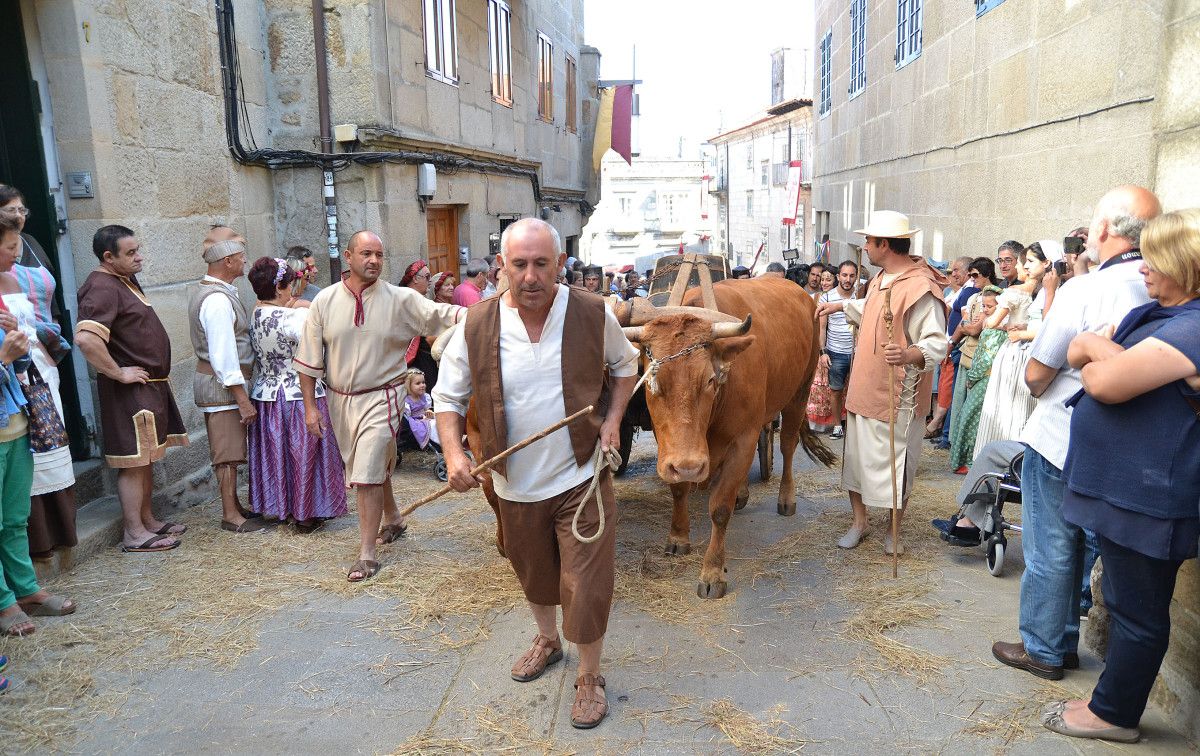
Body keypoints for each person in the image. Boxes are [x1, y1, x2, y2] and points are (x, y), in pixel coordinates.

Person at [434, 217, 638, 730]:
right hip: (512, 480)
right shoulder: (476, 325)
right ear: (501, 266)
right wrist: (456, 455)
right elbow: (448, 397)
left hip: (580, 475)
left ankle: (589, 676)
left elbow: (625, 366)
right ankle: (548, 639)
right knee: (535, 573)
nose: (530, 276)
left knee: (587, 583)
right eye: (519, 264)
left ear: (559, 265)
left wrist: (613, 421)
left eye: (541, 264)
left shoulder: (592, 313)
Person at [992, 184, 1162, 682]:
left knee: (1052, 546)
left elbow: (1038, 373)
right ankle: (1061, 640)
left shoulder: (1086, 289)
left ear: (1105, 230)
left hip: (1062, 434)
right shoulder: (1158, 284)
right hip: (1120, 443)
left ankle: (1044, 647)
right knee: (1085, 544)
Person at [1042, 208, 1200, 744]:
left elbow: (1105, 381)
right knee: (1128, 600)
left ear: (1185, 263)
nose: (1143, 269)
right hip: (1131, 491)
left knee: (1139, 611)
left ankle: (1115, 714)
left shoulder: (1194, 325)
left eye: (1154, 259)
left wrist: (1095, 354)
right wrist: (1096, 354)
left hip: (1150, 496)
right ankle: (1112, 699)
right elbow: (1081, 351)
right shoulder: (1162, 316)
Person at [294, 231, 463, 582]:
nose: (373, 261)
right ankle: (395, 519)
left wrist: (489, 310)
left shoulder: (401, 299)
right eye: (366, 253)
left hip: (384, 396)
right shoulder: (324, 301)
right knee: (368, 466)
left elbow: (444, 314)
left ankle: (367, 553)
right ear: (348, 256)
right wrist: (311, 408)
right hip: (340, 400)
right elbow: (309, 361)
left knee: (367, 471)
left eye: (379, 255)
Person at [815, 211, 948, 555]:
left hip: (898, 396)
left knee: (897, 466)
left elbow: (936, 341)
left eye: (870, 241)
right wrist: (838, 308)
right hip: (863, 388)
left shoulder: (921, 287)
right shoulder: (879, 278)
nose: (865, 246)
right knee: (856, 462)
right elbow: (871, 308)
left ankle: (893, 531)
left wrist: (907, 355)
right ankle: (859, 522)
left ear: (884, 245)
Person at [75, 226, 189, 552]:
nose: (139, 257)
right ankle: (134, 533)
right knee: (134, 463)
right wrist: (117, 373)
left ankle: (148, 521)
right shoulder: (101, 286)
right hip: (130, 392)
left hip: (149, 387)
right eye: (130, 253)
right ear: (108, 257)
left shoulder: (122, 279)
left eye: (138, 250)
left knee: (147, 458)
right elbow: (86, 338)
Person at [0, 216, 75, 636]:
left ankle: (26, 590)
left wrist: (20, 344)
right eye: (10, 246)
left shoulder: (4, 297)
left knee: (14, 517)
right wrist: (5, 358)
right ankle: (3, 602)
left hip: (15, 423)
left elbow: (21, 369)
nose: (17, 254)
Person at [247, 257, 346, 532]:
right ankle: (305, 513)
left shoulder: (255, 315)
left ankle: (283, 508)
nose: (294, 290)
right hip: (298, 396)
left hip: (266, 395)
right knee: (303, 453)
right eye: (290, 285)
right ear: (279, 287)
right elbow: (315, 353)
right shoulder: (296, 317)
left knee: (279, 455)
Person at [189, 228, 261, 534]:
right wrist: (242, 399)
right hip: (221, 387)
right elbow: (223, 355)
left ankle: (234, 507)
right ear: (228, 261)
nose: (245, 261)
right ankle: (230, 514)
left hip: (224, 386)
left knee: (229, 450)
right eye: (241, 257)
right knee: (226, 452)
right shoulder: (217, 300)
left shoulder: (218, 293)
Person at [973, 241, 1064, 456]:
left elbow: (1049, 328)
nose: (1026, 266)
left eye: (1030, 261)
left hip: (1023, 353)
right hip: (1017, 350)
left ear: (1047, 262)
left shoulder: (1052, 291)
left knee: (1013, 413)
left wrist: (1021, 333)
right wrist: (1022, 326)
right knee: (1004, 409)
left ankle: (1006, 459)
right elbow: (1036, 322)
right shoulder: (1042, 291)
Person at [948, 287, 1006, 472]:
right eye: (984, 306)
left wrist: (972, 378)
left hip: (984, 378)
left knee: (970, 419)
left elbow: (984, 359)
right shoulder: (995, 326)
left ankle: (968, 461)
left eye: (990, 306)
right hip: (986, 378)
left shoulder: (993, 330)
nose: (986, 310)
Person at [927, 256, 973, 440]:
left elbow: (964, 321)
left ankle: (942, 431)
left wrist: (952, 343)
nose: (952, 275)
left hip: (956, 346)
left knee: (947, 389)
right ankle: (941, 428)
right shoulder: (959, 291)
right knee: (943, 387)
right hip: (947, 343)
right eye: (951, 271)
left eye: (955, 271)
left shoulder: (969, 291)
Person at [819, 260, 859, 440]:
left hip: (858, 352)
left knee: (858, 390)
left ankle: (856, 427)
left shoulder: (861, 297)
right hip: (835, 351)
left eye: (851, 275)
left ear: (856, 277)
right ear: (838, 276)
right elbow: (821, 328)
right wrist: (823, 352)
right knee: (836, 390)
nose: (847, 279)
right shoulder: (827, 298)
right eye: (844, 275)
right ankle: (837, 426)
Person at [399, 368, 439, 449]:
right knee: (431, 425)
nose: (422, 385)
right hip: (415, 422)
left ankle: (446, 440)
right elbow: (408, 417)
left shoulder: (425, 397)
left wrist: (428, 412)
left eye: (423, 382)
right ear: (409, 386)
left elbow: (426, 410)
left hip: (425, 418)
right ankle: (437, 443)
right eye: (418, 383)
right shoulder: (407, 401)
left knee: (438, 422)